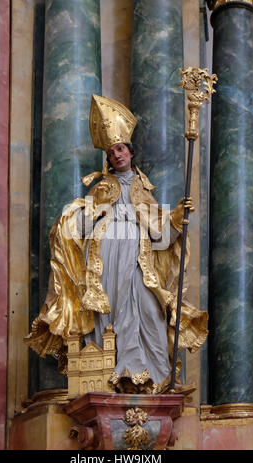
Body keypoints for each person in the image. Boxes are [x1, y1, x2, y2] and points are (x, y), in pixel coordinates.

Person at [25, 94, 208, 395]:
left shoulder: (143, 188)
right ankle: (117, 375)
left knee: (150, 310)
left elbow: (160, 235)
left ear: (130, 152)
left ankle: (155, 378)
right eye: (111, 152)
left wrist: (176, 216)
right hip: (107, 259)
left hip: (139, 258)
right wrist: (72, 218)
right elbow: (84, 224)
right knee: (113, 316)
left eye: (120, 148)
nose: (116, 155)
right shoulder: (101, 189)